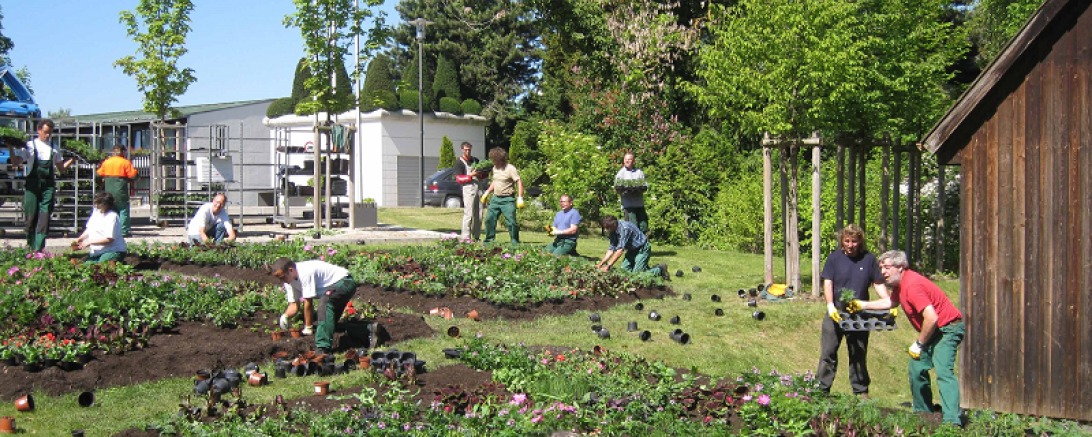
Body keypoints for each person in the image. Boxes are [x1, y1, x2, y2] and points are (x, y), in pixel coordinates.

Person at [847, 250, 964, 425]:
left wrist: (919, 344)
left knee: (943, 371)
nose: (883, 272)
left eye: (887, 267)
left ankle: (952, 422)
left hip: (948, 328)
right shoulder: (900, 285)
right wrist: (862, 305)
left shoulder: (912, 285)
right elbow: (891, 302)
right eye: (881, 268)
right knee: (916, 368)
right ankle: (923, 414)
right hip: (933, 329)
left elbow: (932, 318)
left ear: (900, 267)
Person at [815, 224, 889, 399]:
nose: (850, 245)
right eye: (847, 241)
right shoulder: (834, 258)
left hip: (859, 315)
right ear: (842, 240)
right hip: (836, 313)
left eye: (854, 241)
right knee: (828, 353)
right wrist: (830, 305)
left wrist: (888, 302)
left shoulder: (869, 259)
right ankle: (821, 390)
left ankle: (861, 391)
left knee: (858, 354)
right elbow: (828, 282)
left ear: (860, 241)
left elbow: (878, 283)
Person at [7, 119, 76, 251]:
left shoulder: (54, 148)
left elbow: (61, 168)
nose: (48, 135)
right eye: (45, 132)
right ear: (39, 130)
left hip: (48, 186)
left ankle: (39, 248)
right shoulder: (29, 146)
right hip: (32, 185)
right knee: (30, 216)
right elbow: (16, 163)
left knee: (44, 217)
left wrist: (73, 159)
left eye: (50, 133)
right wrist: (10, 147)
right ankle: (31, 245)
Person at [271, 257, 358, 354]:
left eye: (282, 277)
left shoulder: (305, 272)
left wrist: (308, 327)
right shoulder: (289, 281)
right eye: (279, 278)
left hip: (345, 282)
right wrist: (285, 315)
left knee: (325, 302)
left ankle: (322, 348)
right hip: (334, 289)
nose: (281, 281)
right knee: (327, 324)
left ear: (290, 270)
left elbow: (308, 302)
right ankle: (368, 330)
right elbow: (294, 305)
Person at [595, 215, 667, 280]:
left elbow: (620, 251)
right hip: (631, 250)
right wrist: (600, 264)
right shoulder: (613, 230)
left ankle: (660, 269)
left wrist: (608, 266)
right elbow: (611, 249)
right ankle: (640, 267)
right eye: (606, 228)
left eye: (608, 228)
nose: (607, 230)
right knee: (623, 272)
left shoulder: (625, 228)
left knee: (636, 277)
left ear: (614, 224)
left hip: (642, 249)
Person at [480, 147, 524, 245]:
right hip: (496, 198)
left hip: (508, 199)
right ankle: (488, 242)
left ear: (500, 159)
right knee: (489, 219)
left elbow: (519, 181)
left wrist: (520, 197)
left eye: (495, 159)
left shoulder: (510, 168)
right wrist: (487, 192)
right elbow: (495, 181)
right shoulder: (495, 168)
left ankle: (515, 242)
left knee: (511, 222)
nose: (493, 161)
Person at [97, 145, 139, 237]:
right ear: (122, 152)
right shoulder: (125, 163)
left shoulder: (106, 162)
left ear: (113, 151)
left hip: (108, 192)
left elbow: (98, 175)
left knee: (110, 211)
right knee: (123, 211)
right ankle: (124, 232)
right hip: (121, 192)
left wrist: (101, 184)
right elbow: (133, 176)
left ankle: (110, 231)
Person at [74, 192, 127, 264]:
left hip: (112, 249)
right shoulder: (96, 212)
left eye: (98, 204)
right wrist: (81, 238)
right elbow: (90, 229)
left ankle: (118, 262)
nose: (96, 206)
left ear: (105, 205)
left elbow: (109, 239)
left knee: (103, 265)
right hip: (98, 251)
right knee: (88, 266)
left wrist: (89, 242)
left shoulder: (112, 217)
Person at [453, 141, 482, 240]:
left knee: (479, 214)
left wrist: (484, 172)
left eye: (469, 149)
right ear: (462, 150)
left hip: (478, 188)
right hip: (468, 189)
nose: (468, 151)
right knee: (468, 214)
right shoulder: (459, 162)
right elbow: (459, 179)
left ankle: (477, 236)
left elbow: (482, 175)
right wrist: (471, 175)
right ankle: (466, 237)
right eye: (466, 149)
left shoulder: (476, 160)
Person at [614, 153, 648, 234]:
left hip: (639, 204)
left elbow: (644, 187)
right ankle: (632, 245)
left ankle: (642, 243)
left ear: (634, 161)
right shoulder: (621, 173)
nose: (627, 161)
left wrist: (638, 190)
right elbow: (616, 189)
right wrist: (624, 190)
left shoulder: (639, 172)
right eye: (626, 159)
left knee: (644, 225)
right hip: (628, 205)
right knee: (633, 226)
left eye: (629, 159)